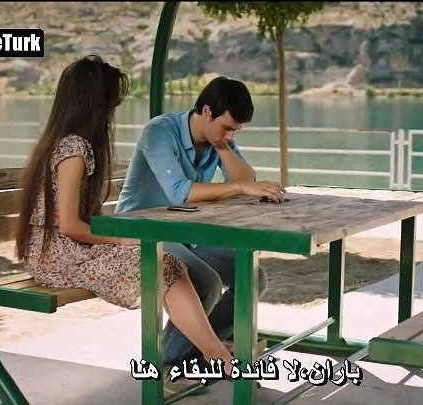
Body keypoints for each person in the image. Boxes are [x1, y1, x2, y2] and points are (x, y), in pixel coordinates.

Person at [14, 55, 234, 395]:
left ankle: (210, 352)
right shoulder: (74, 149)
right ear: (93, 104)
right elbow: (70, 225)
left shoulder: (65, 142)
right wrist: (120, 241)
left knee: (166, 263)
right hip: (60, 257)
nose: (112, 113)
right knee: (162, 264)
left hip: (66, 251)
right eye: (110, 103)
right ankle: (215, 354)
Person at [114, 77, 285, 370]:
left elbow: (246, 180)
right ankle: (170, 364)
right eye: (227, 127)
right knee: (206, 282)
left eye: (236, 130)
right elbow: (180, 192)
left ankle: (190, 351)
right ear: (206, 111)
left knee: (253, 276)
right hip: (140, 233)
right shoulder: (160, 131)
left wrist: (223, 147)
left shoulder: (218, 138)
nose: (230, 134)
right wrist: (240, 187)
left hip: (184, 232)